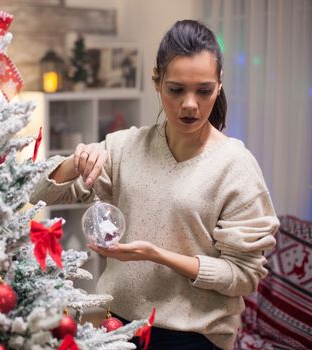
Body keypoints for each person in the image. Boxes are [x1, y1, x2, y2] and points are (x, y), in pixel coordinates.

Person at [30, 20, 279, 350]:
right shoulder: (125, 147)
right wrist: (76, 162)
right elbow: (39, 195)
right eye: (176, 89)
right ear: (156, 82)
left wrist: (159, 256)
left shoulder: (236, 166)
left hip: (195, 338)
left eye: (203, 90)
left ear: (219, 86)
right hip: (116, 326)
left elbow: (243, 277)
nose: (189, 104)